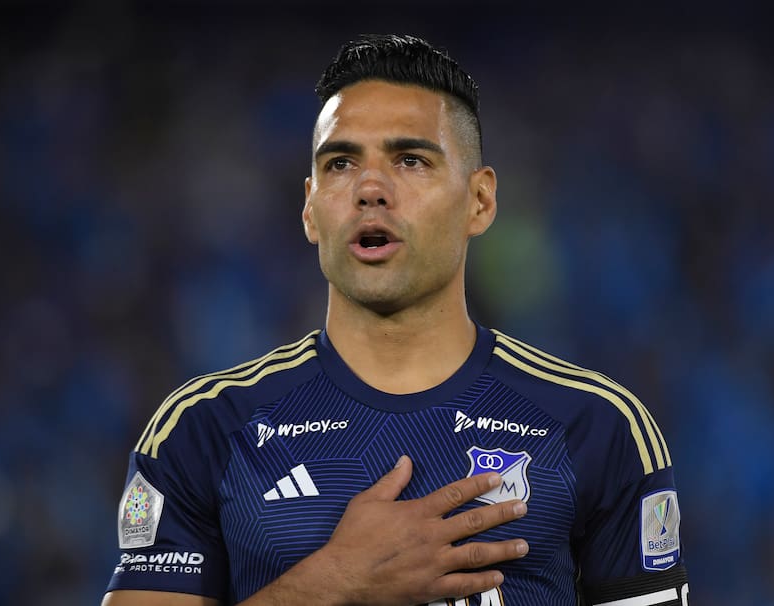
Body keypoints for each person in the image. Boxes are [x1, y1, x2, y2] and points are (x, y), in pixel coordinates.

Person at [102, 34, 689, 606]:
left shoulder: (596, 426)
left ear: (480, 201)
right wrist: (332, 583)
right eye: (340, 163)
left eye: (410, 160)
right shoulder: (203, 429)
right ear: (310, 209)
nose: (370, 188)